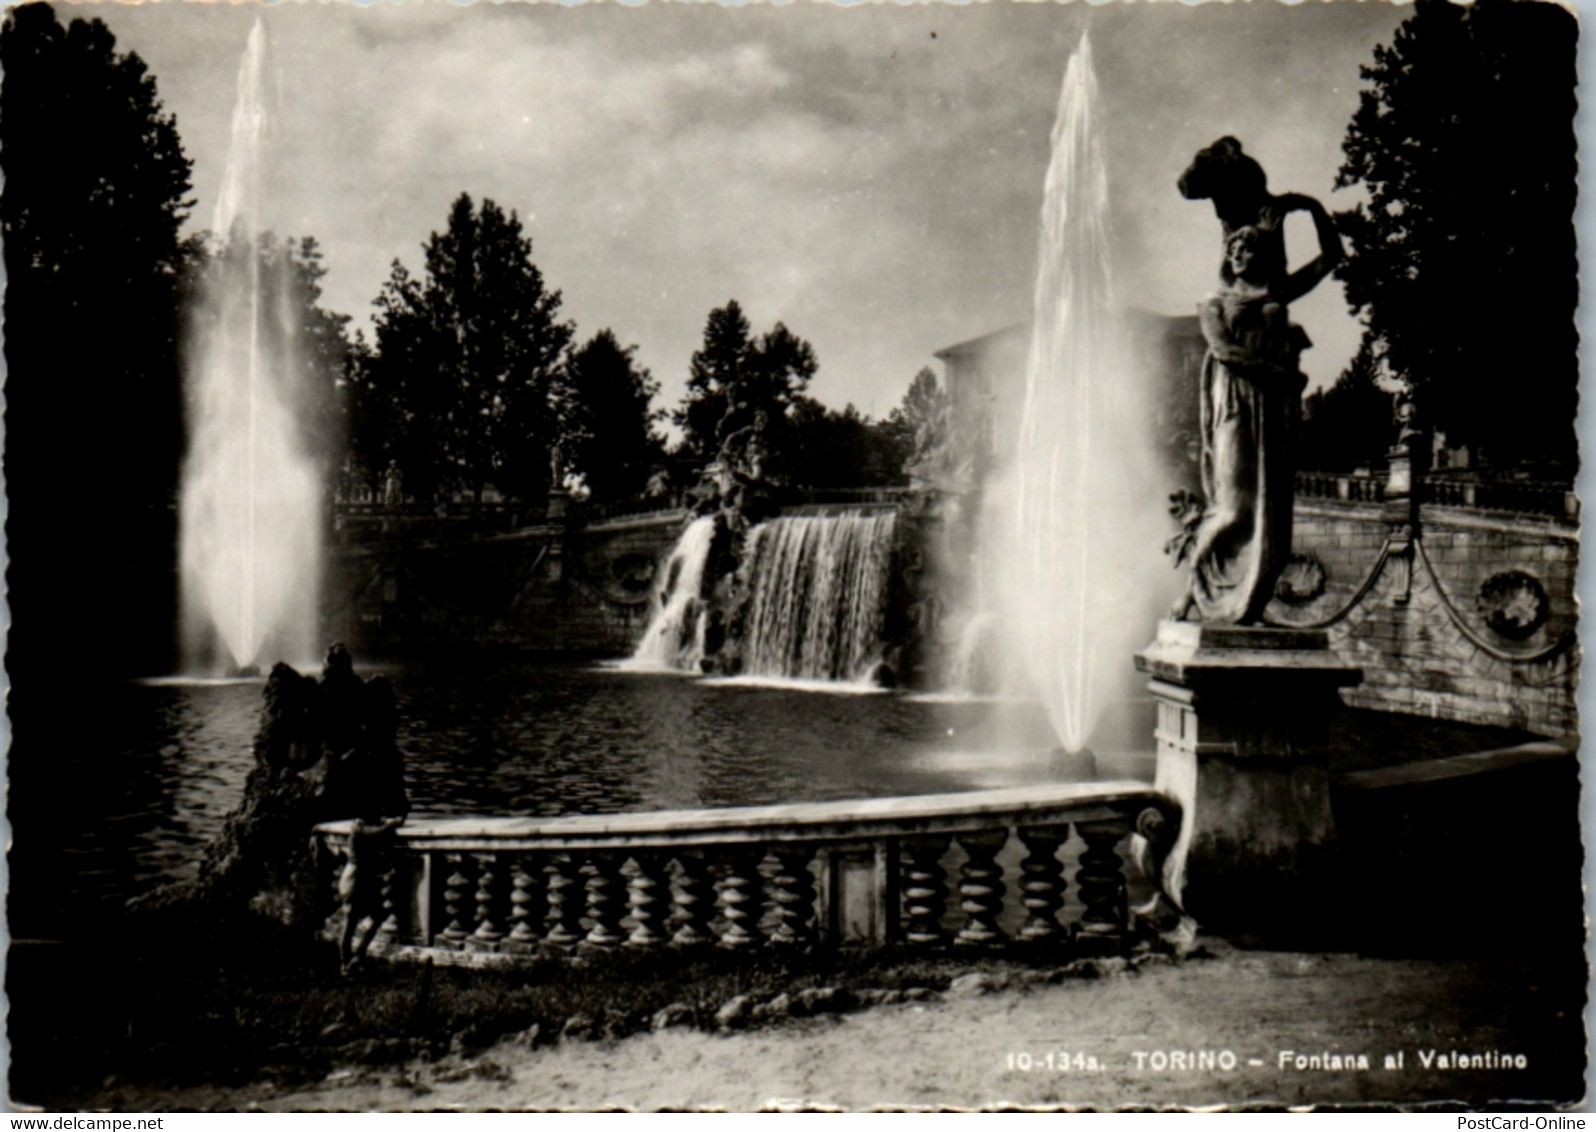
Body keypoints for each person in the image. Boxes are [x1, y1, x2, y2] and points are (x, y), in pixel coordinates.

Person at [1173, 194, 1343, 624]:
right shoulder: (1213, 302)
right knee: (1233, 509)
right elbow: (1226, 351)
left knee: (1272, 519)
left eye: (1250, 248)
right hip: (1233, 404)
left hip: (1271, 410)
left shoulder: (1277, 291)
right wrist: (1284, 376)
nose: (1242, 254)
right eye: (1235, 249)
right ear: (1227, 256)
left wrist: (1314, 209)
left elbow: (1332, 256)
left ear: (1263, 254)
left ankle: (1250, 600)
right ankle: (1190, 590)